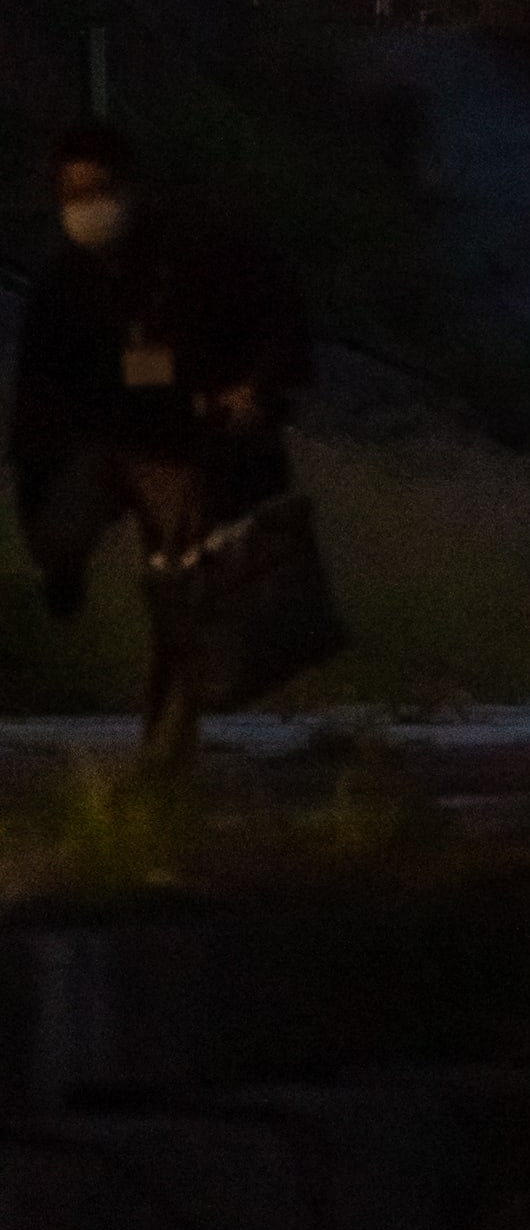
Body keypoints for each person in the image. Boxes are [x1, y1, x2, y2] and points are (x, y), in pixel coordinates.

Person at [10, 120, 312, 763]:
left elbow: (277, 314)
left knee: (182, 593)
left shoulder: (196, 253)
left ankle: (167, 747)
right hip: (94, 441)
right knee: (59, 533)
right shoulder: (62, 282)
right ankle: (67, 578)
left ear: (130, 187)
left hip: (180, 446)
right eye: (73, 195)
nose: (85, 207)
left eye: (98, 190)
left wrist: (253, 392)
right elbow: (37, 395)